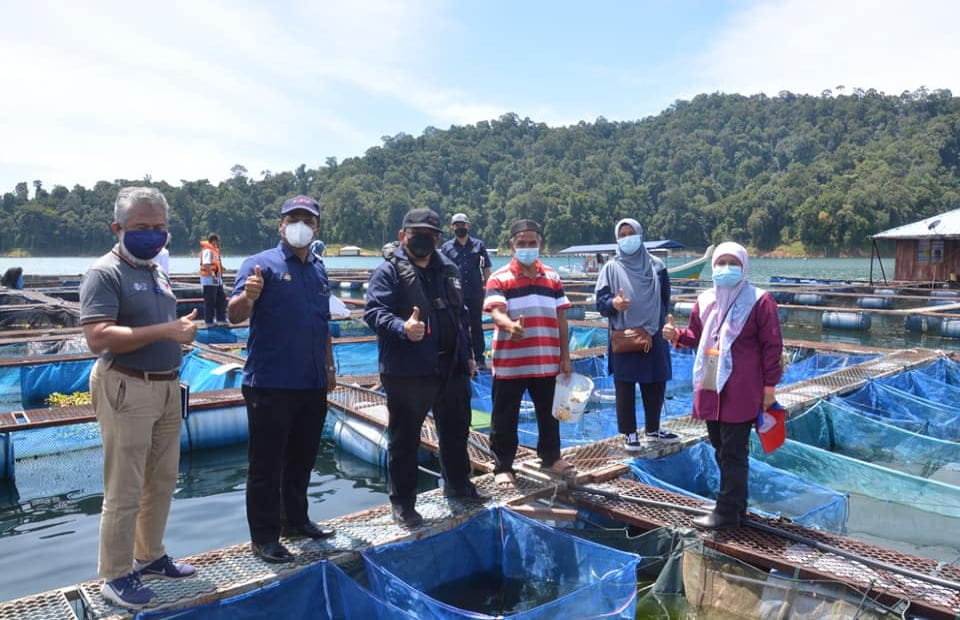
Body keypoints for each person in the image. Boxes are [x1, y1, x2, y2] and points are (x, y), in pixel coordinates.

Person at [78, 187, 198, 608]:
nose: (153, 234)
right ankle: (114, 575)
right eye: (142, 227)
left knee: (162, 480)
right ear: (118, 228)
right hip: (127, 385)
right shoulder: (104, 272)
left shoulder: (155, 269)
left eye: (160, 227)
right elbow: (98, 336)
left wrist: (176, 333)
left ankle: (149, 555)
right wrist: (167, 332)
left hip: (166, 386)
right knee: (124, 486)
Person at [227, 195, 337, 563]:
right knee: (266, 464)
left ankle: (296, 520)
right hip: (270, 383)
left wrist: (330, 367)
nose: (301, 225)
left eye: (308, 219)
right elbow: (233, 315)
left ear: (317, 227)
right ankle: (264, 536)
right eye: (294, 218)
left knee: (302, 458)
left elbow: (322, 325)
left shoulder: (319, 269)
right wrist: (248, 296)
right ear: (281, 224)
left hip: (312, 382)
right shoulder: (259, 264)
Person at [364, 208, 482, 528]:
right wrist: (403, 327)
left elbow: (461, 317)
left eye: (430, 235)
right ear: (403, 236)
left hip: (452, 365)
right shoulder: (387, 272)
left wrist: (469, 355)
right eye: (416, 234)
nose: (423, 240)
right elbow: (373, 312)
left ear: (438, 239)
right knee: (405, 439)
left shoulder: (449, 269)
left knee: (457, 430)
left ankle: (458, 484)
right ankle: (403, 503)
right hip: (408, 370)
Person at [662, 241, 783, 530]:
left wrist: (769, 387)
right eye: (720, 263)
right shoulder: (706, 300)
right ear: (713, 266)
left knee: (733, 450)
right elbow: (695, 334)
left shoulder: (759, 300)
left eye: (733, 263)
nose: (726, 268)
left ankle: (727, 512)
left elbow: (771, 345)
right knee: (719, 447)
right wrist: (675, 333)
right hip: (710, 385)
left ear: (744, 267)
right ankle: (736, 506)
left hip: (741, 388)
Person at [483, 219, 574, 489]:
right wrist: (510, 325)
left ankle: (550, 457)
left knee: (550, 414)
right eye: (521, 243)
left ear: (540, 244)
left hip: (547, 359)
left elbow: (561, 319)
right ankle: (503, 466)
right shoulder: (499, 278)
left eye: (531, 243)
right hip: (511, 363)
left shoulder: (553, 278)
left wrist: (565, 357)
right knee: (504, 416)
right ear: (511, 245)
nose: (526, 247)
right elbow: (496, 311)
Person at [595, 218, 678, 451]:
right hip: (625, 335)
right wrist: (614, 303)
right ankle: (630, 434)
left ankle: (653, 429)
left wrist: (658, 323)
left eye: (631, 233)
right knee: (625, 385)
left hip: (654, 333)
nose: (627, 238)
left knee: (656, 381)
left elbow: (664, 298)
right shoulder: (611, 268)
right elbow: (600, 303)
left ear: (640, 235)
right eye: (622, 234)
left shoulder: (657, 266)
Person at [440, 212, 492, 369]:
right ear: (451, 228)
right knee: (459, 326)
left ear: (468, 226)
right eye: (457, 225)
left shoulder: (479, 245)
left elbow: (486, 268)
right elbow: (442, 271)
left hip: (476, 292)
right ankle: (463, 357)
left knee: (477, 326)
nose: (460, 228)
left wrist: (488, 289)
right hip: (455, 294)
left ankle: (480, 359)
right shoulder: (446, 248)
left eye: (463, 225)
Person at [199, 233, 226, 327]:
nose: (218, 243)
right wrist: (213, 276)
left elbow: (216, 264)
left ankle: (221, 319)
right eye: (217, 241)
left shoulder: (215, 251)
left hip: (217, 280)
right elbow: (206, 265)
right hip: (209, 280)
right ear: (214, 241)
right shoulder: (207, 250)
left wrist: (222, 269)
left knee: (221, 299)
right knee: (210, 301)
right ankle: (209, 321)